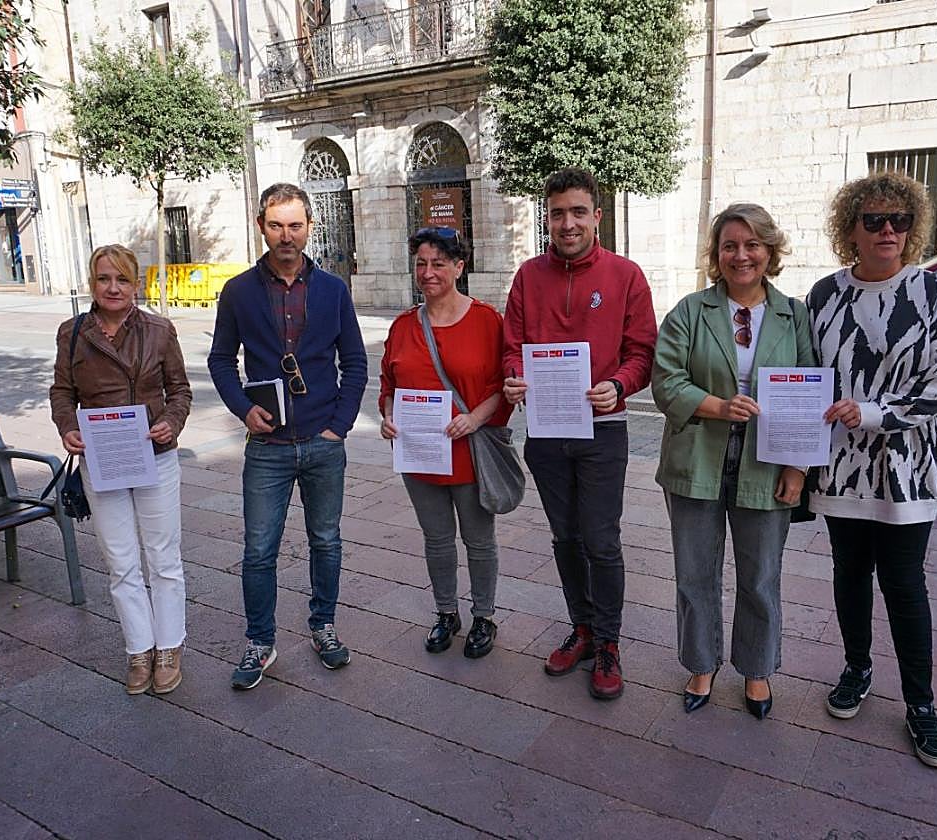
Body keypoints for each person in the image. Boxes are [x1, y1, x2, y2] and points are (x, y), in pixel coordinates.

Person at [808, 171, 937, 768]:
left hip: (908, 467)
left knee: (903, 582)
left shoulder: (935, 296)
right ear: (850, 228)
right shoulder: (823, 296)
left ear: (913, 228)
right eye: (873, 220)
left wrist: (871, 412)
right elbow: (806, 372)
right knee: (849, 571)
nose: (887, 231)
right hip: (842, 468)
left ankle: (921, 705)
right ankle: (856, 668)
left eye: (898, 221)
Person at [652, 203, 814, 718]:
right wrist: (719, 406)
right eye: (729, 246)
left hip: (767, 461)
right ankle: (702, 663)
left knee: (761, 573)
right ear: (716, 254)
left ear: (770, 250)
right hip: (697, 454)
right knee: (694, 572)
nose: (741, 256)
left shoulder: (795, 315)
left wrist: (799, 466)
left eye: (752, 245)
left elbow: (810, 389)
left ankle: (757, 669)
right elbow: (666, 380)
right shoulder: (689, 311)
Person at [502, 166, 657, 700]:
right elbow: (511, 345)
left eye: (577, 212)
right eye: (557, 213)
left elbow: (643, 353)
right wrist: (512, 377)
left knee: (601, 539)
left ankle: (609, 641)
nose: (567, 223)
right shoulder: (528, 276)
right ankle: (583, 627)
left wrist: (619, 384)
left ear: (597, 215)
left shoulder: (626, 276)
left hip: (602, 430)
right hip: (545, 430)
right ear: (548, 216)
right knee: (566, 537)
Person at [208, 182, 367, 689]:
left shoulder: (333, 290)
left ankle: (323, 626)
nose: (286, 235)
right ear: (261, 226)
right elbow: (220, 359)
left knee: (326, 541)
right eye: (276, 225)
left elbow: (356, 364)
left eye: (295, 225)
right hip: (267, 445)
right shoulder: (238, 291)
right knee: (258, 548)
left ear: (309, 227)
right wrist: (241, 409)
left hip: (323, 442)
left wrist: (339, 426)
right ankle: (260, 641)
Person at [49, 244, 192, 695]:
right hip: (103, 461)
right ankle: (139, 649)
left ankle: (169, 647)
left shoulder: (159, 330)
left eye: (122, 279)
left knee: (163, 559)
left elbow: (180, 390)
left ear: (136, 284)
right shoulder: (72, 332)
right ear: (91, 283)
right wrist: (68, 427)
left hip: (154, 457)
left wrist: (170, 423)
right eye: (104, 279)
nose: (113, 288)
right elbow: (61, 391)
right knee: (121, 562)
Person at [379, 227, 512, 658]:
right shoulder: (402, 326)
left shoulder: (487, 320)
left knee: (478, 540)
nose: (428, 272)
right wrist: (388, 416)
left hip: (470, 454)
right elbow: (388, 384)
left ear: (459, 266)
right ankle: (445, 613)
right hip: (421, 455)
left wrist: (473, 419)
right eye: (421, 263)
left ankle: (484, 615)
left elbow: (503, 384)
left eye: (438, 263)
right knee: (436, 540)